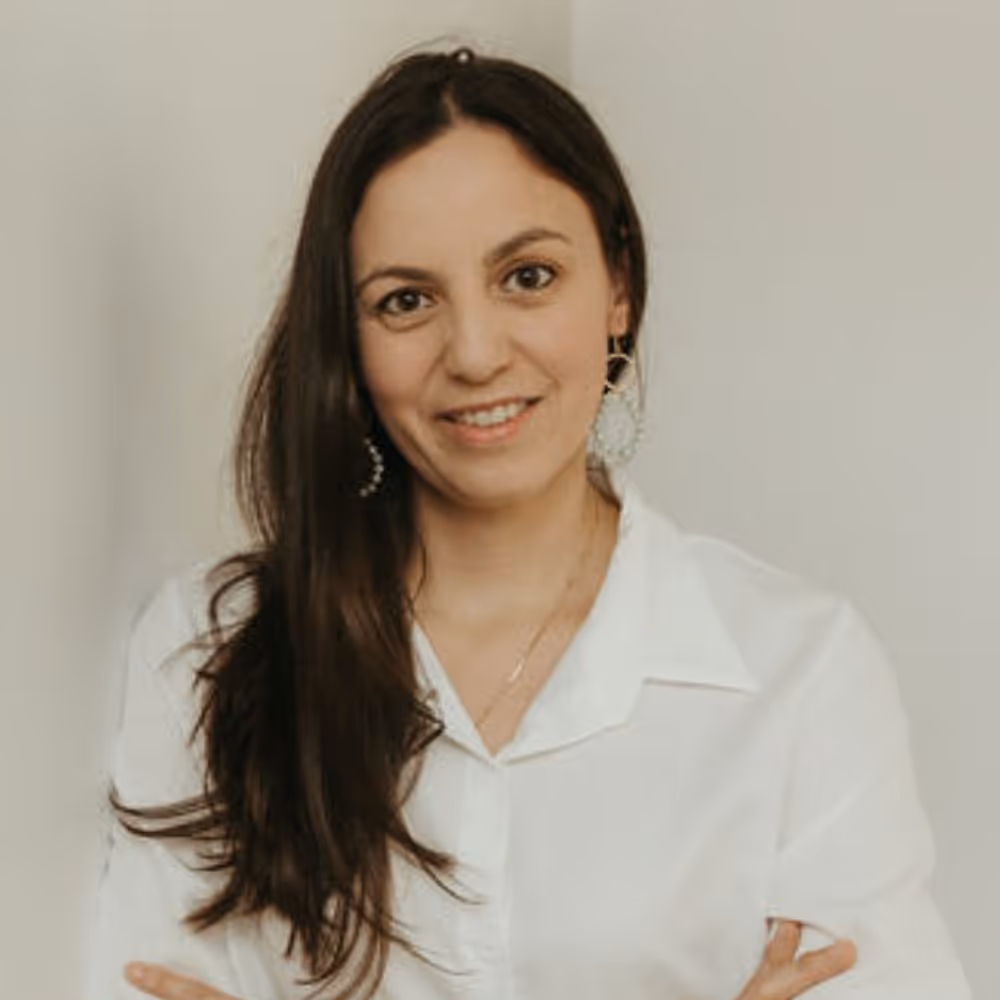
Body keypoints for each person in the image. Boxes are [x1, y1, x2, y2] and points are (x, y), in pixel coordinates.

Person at [84, 45, 971, 1000]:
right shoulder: (210, 650)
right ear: (348, 338)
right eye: (406, 301)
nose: (473, 352)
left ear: (617, 286)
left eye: (528, 277)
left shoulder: (800, 672)